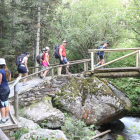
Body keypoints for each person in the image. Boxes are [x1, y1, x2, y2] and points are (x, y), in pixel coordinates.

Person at [0, 58, 11, 124]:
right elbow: (9, 80)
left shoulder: (0, 71)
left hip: (2, 89)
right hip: (7, 88)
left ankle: (3, 119)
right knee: (6, 102)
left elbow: (0, 81)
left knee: (1, 104)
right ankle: (6, 117)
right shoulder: (8, 70)